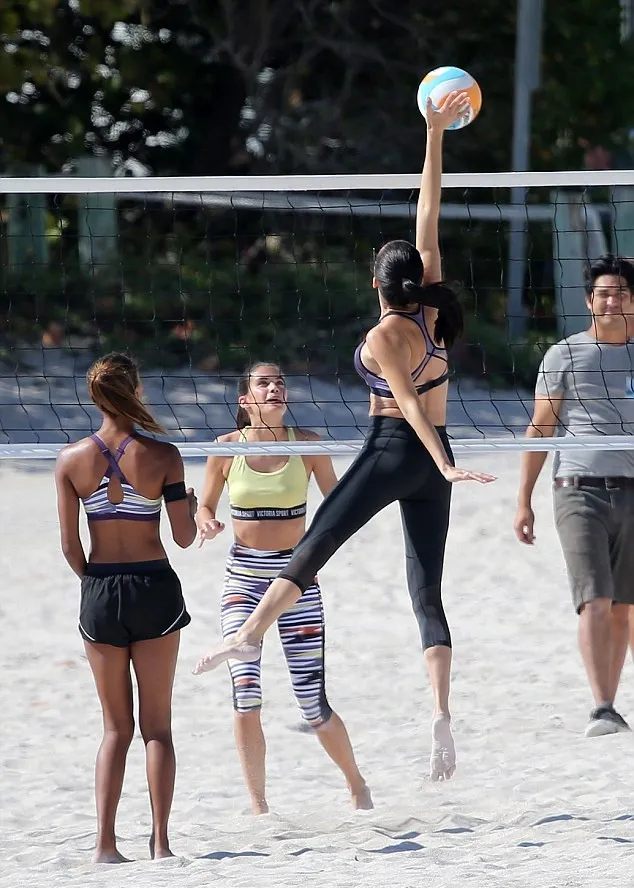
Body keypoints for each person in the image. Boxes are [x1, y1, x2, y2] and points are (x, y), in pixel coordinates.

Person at [192, 90, 496, 783]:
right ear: (417, 277)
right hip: (435, 457)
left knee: (314, 545)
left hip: (396, 451)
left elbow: (407, 405)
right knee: (427, 591)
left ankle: (248, 634)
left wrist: (443, 463)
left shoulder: (384, 333)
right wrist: (435, 135)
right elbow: (428, 210)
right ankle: (440, 713)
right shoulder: (435, 309)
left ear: (374, 284)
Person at [195, 361, 372, 814]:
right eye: (263, 383)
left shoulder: (308, 445)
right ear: (245, 399)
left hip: (296, 580)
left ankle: (357, 786)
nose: (274, 387)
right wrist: (207, 520)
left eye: (279, 382)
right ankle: (259, 806)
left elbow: (338, 507)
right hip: (243, 581)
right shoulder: (225, 449)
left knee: (312, 703)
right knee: (246, 695)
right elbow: (204, 506)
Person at [54, 352, 198, 863]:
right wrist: (191, 506)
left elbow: (70, 546)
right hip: (153, 587)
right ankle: (160, 844)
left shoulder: (70, 460)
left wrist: (95, 587)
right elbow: (184, 538)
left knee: (116, 729)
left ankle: (105, 845)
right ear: (136, 391)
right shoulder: (164, 456)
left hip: (100, 589)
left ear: (95, 398)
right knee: (157, 728)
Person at [513, 254, 634, 737]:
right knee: (596, 600)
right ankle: (601, 706)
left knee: (625, 607)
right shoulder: (564, 355)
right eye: (603, 294)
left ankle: (612, 706)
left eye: (621, 293)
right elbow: (540, 427)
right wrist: (524, 499)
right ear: (589, 301)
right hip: (578, 489)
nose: (612, 301)